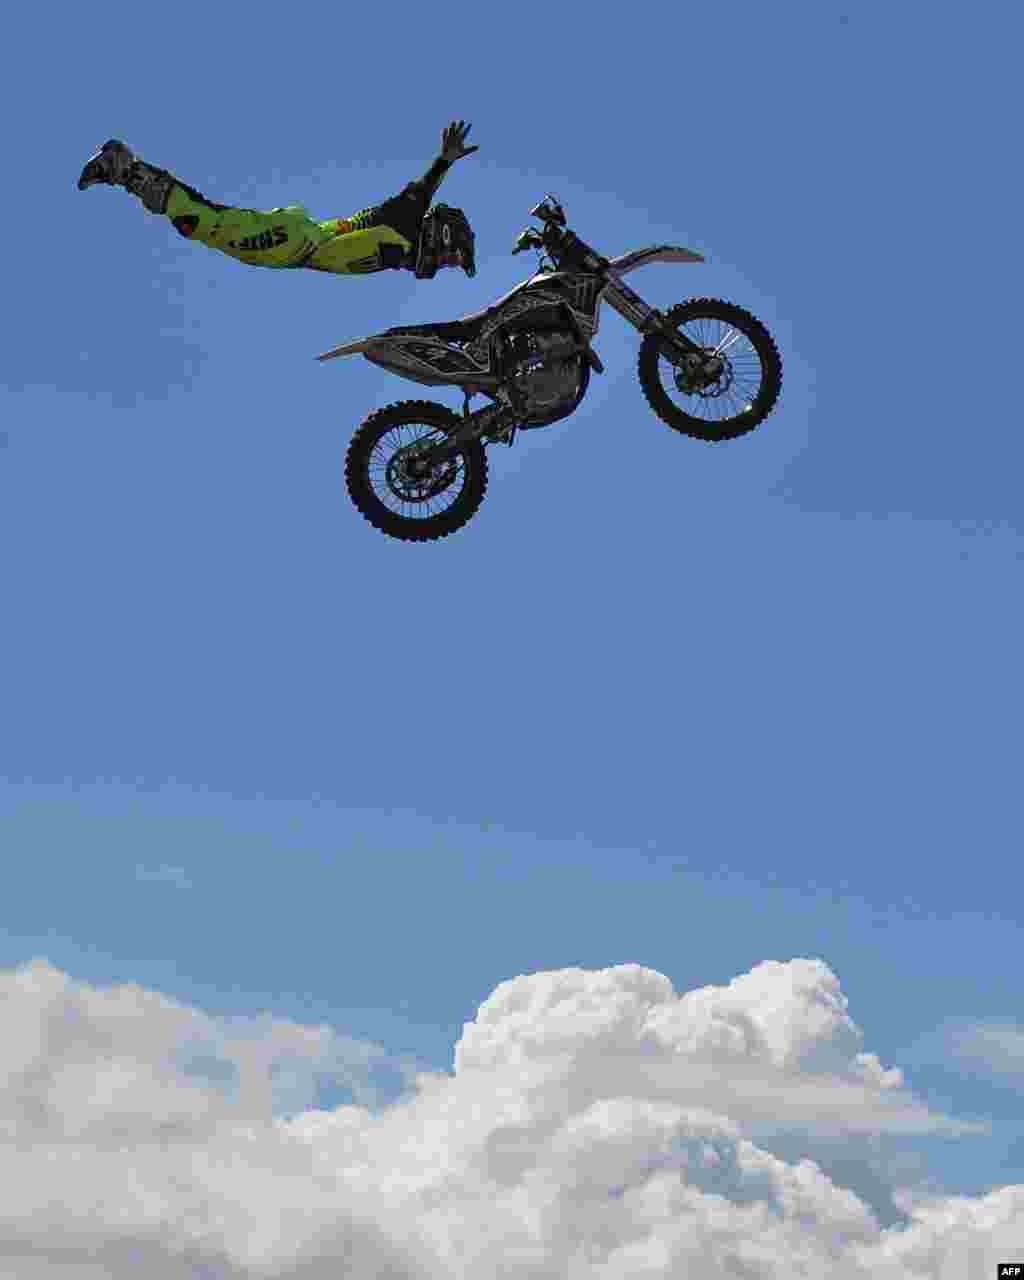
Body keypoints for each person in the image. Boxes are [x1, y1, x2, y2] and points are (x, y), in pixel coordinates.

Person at [77, 121, 479, 279]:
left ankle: (130, 175)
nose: (444, 263)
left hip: (296, 246)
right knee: (205, 224)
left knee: (206, 225)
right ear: (441, 234)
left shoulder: (408, 255)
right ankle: (125, 167)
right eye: (450, 255)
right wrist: (443, 161)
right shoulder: (406, 220)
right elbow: (420, 192)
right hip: (297, 242)